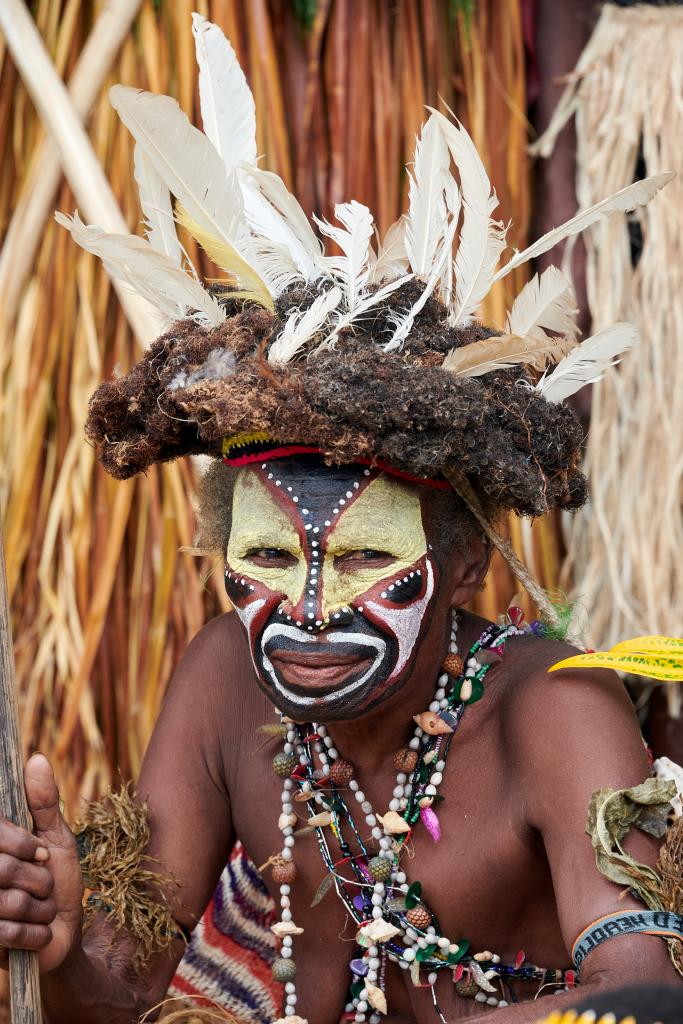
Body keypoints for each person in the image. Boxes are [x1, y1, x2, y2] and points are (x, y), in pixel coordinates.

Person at [0, 15, 680, 1024]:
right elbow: (118, 991)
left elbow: (645, 1000)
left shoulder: (550, 712)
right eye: (267, 558)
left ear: (459, 567)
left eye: (366, 556)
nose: (311, 611)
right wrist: (59, 946)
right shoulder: (225, 681)